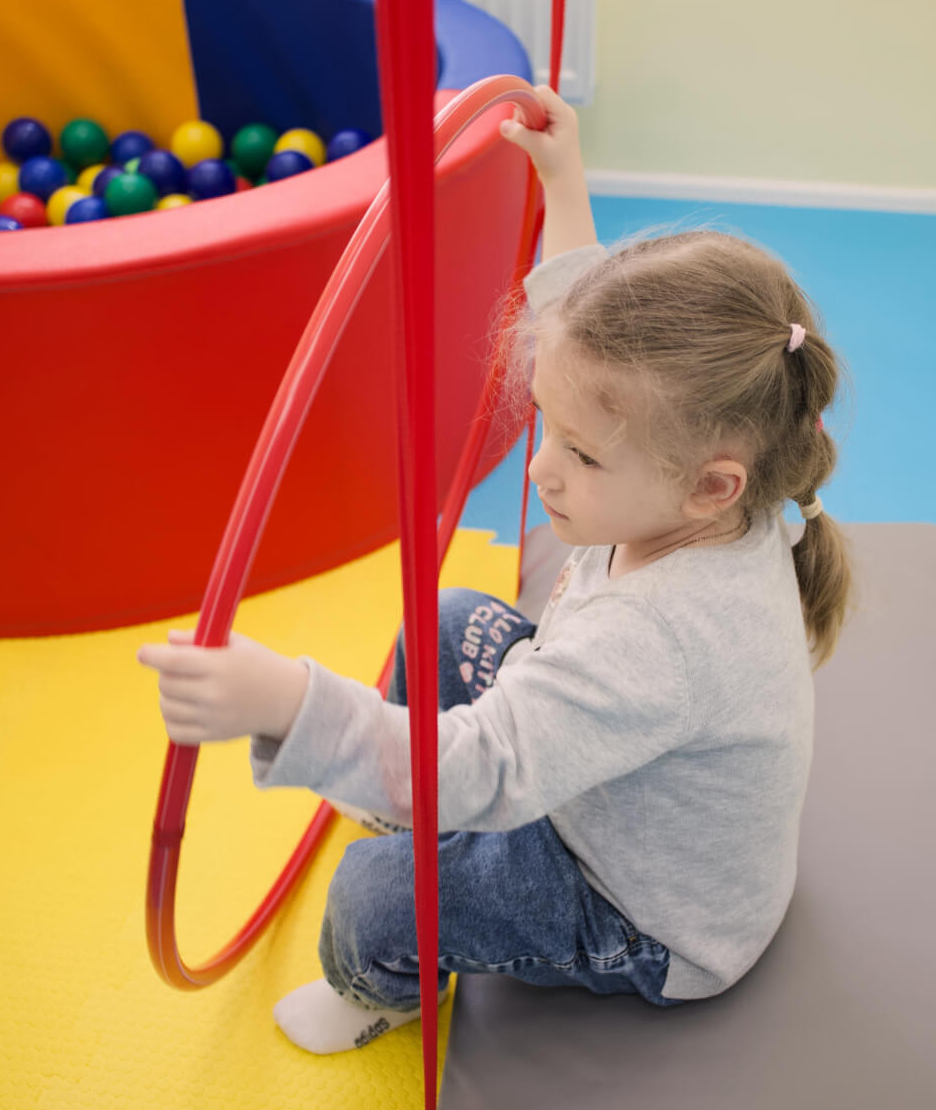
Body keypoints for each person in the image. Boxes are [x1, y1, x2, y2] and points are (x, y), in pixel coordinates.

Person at [137, 86, 853, 1054]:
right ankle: (404, 801)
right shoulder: (713, 483)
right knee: (444, 621)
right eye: (548, 426)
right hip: (601, 788)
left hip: (640, 912)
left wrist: (286, 704)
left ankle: (383, 989)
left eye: (580, 455)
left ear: (707, 486)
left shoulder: (661, 636)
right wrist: (563, 181)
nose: (540, 468)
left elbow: (493, 767)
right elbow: (582, 322)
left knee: (377, 898)